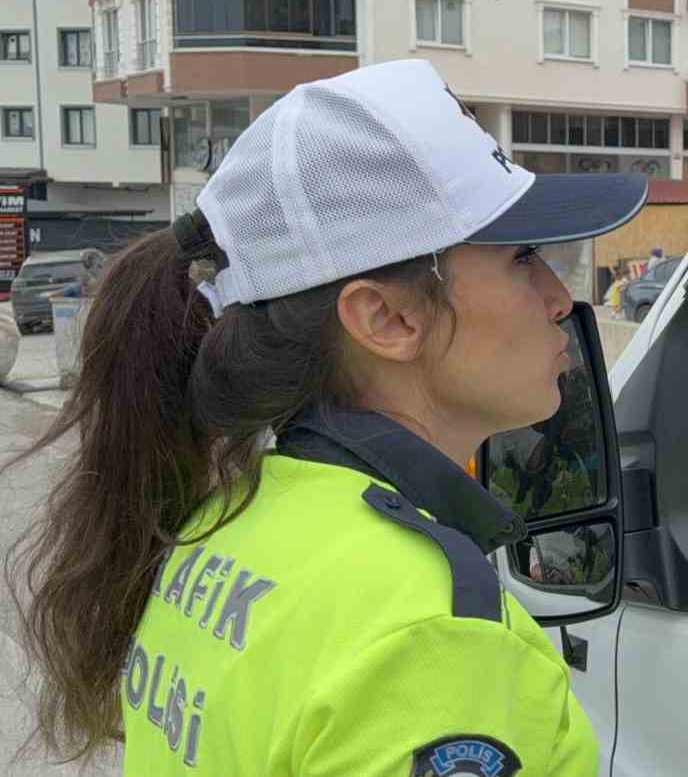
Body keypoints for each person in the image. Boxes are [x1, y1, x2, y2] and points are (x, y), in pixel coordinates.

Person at [4, 59, 647, 774]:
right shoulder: (433, 633)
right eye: (523, 258)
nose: (560, 298)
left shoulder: (223, 522)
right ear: (386, 317)